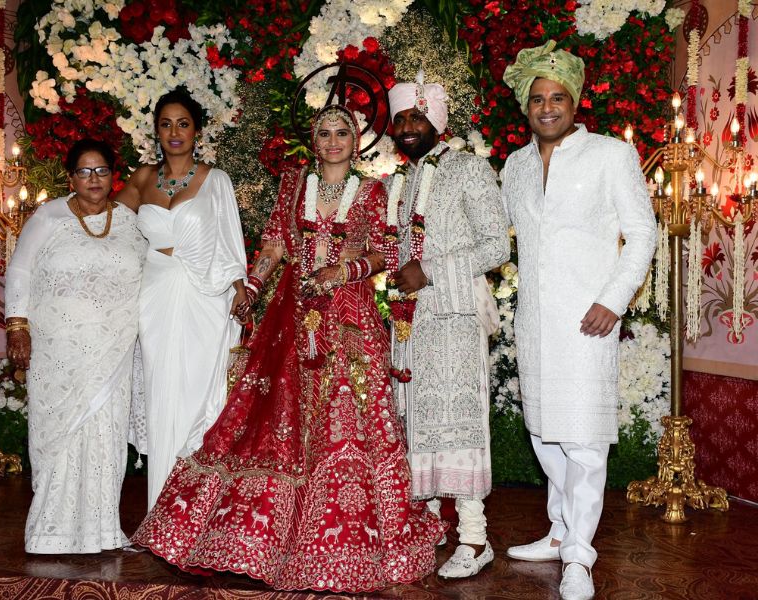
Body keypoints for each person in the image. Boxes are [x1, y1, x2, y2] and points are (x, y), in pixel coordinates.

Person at [130, 103, 445, 592]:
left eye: (342, 133)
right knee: (278, 421)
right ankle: (270, 540)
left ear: (355, 142)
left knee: (346, 421)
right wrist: (253, 287)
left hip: (349, 319)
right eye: (325, 133)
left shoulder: (372, 191)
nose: (333, 141)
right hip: (293, 315)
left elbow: (384, 252)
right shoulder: (295, 184)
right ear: (313, 141)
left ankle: (346, 544)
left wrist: (344, 271)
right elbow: (276, 244)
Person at [501, 41, 657, 600]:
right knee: (545, 433)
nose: (547, 108)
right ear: (526, 106)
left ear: (575, 102)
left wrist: (613, 299)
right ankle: (559, 531)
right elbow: (499, 236)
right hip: (535, 323)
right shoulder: (515, 166)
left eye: (557, 98)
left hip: (590, 320)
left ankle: (578, 557)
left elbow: (642, 233)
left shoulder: (611, 155)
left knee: (585, 442)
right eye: (537, 99)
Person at [386, 74, 510, 579]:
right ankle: (431, 523)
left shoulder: (467, 168)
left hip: (455, 316)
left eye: (418, 117)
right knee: (417, 419)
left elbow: (497, 245)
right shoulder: (400, 179)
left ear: (437, 121)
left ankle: (475, 538)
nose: (408, 127)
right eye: (400, 119)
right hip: (410, 322)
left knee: (457, 419)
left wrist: (430, 270)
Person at [5, 138, 147, 553]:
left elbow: (152, 272)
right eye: (84, 172)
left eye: (101, 170)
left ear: (112, 176)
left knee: (106, 436)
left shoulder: (129, 223)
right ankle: (50, 532)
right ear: (71, 178)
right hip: (58, 353)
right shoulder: (49, 216)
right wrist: (17, 326)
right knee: (57, 436)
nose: (93, 179)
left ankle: (101, 531)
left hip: (113, 351)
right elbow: (20, 270)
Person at [117, 89, 248, 510]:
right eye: (166, 124)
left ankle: (197, 512)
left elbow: (230, 241)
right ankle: (160, 509)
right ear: (156, 131)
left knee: (198, 397)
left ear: (197, 131)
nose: (175, 132)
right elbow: (107, 223)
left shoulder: (216, 179)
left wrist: (240, 288)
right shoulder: (142, 178)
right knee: (161, 394)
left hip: (205, 297)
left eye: (183, 123)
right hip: (155, 295)